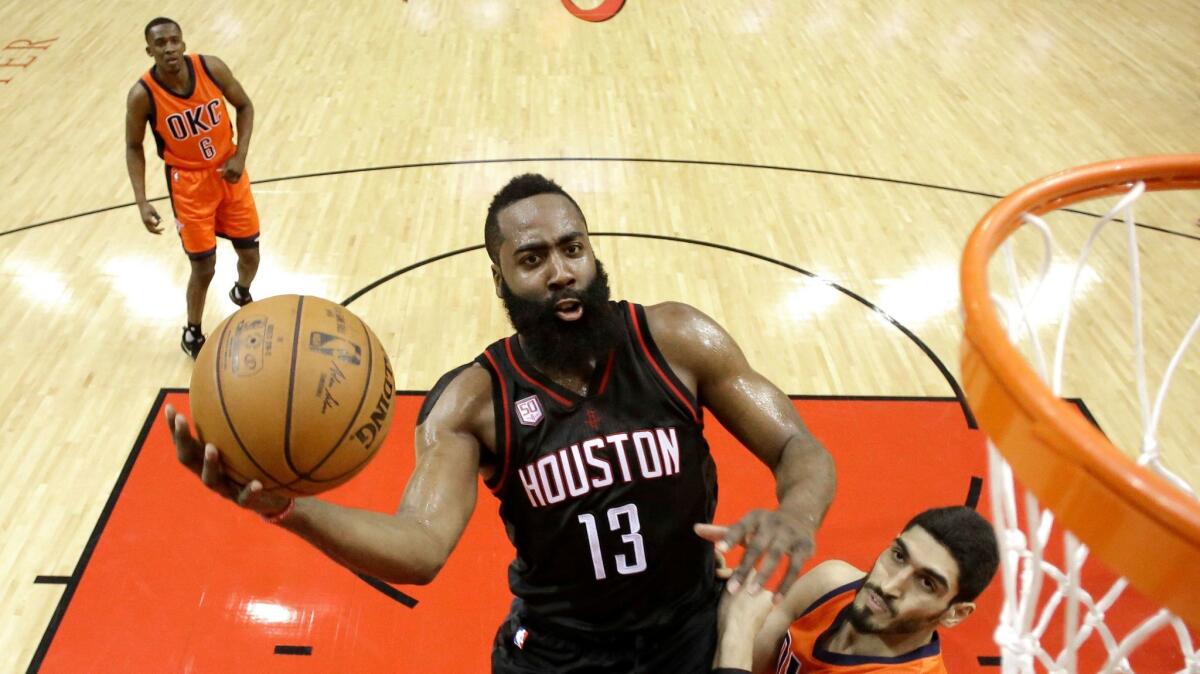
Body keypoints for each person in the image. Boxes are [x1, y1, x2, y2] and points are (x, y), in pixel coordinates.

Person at [165, 173, 837, 673]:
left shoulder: (676, 339)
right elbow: (420, 546)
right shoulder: (474, 401)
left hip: (692, 630)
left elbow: (797, 447)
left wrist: (798, 515)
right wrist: (292, 511)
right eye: (532, 257)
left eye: (573, 249)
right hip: (560, 653)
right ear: (500, 278)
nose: (560, 273)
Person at [704, 506, 999, 674]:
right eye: (898, 556)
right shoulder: (831, 583)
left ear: (956, 613)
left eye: (926, 583)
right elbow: (751, 660)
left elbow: (738, 644)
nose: (888, 585)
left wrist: (738, 632)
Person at [125, 17, 261, 358]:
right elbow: (133, 146)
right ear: (150, 50)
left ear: (183, 43)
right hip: (188, 185)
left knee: (251, 254)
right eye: (161, 43)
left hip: (229, 173)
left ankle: (241, 291)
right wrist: (141, 201)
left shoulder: (211, 68)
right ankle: (193, 330)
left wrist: (240, 155)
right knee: (204, 267)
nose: (169, 48)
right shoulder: (142, 95)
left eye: (174, 40)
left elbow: (245, 106)